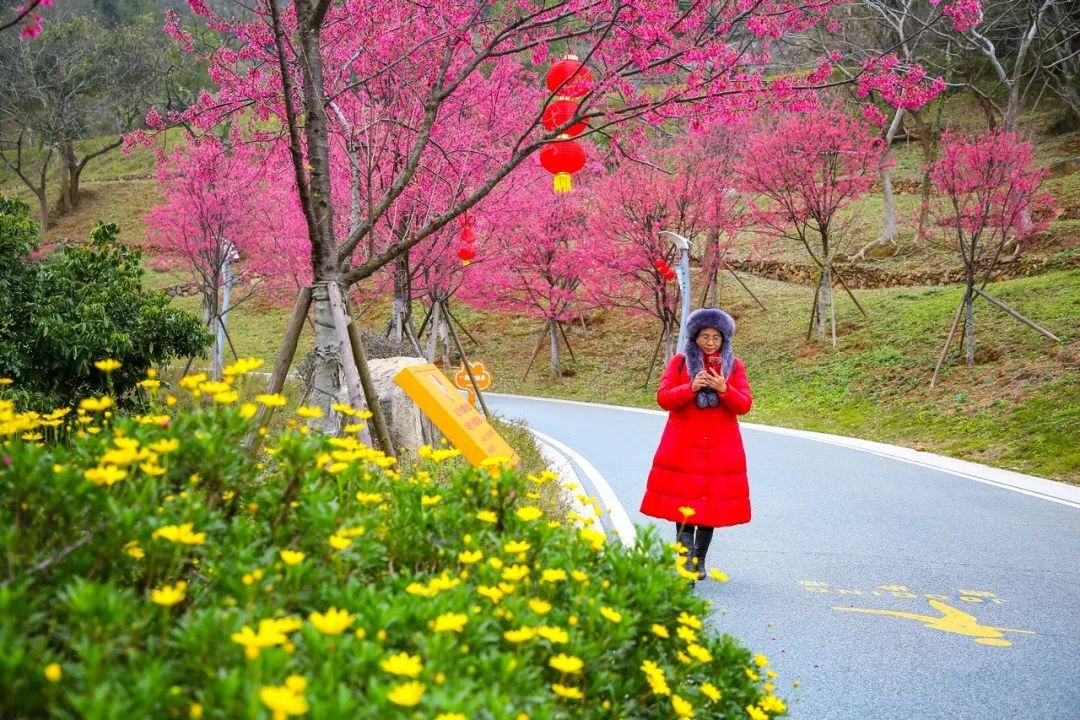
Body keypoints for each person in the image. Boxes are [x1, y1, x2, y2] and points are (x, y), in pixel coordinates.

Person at [639, 307, 753, 580]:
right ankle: (684, 557)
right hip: (683, 444)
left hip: (720, 447)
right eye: (705, 336)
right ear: (694, 337)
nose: (710, 342)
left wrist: (724, 389)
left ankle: (699, 559)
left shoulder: (734, 366)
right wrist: (690, 388)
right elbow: (664, 398)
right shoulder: (680, 363)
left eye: (716, 336)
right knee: (683, 501)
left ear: (724, 339)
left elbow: (745, 405)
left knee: (709, 504)